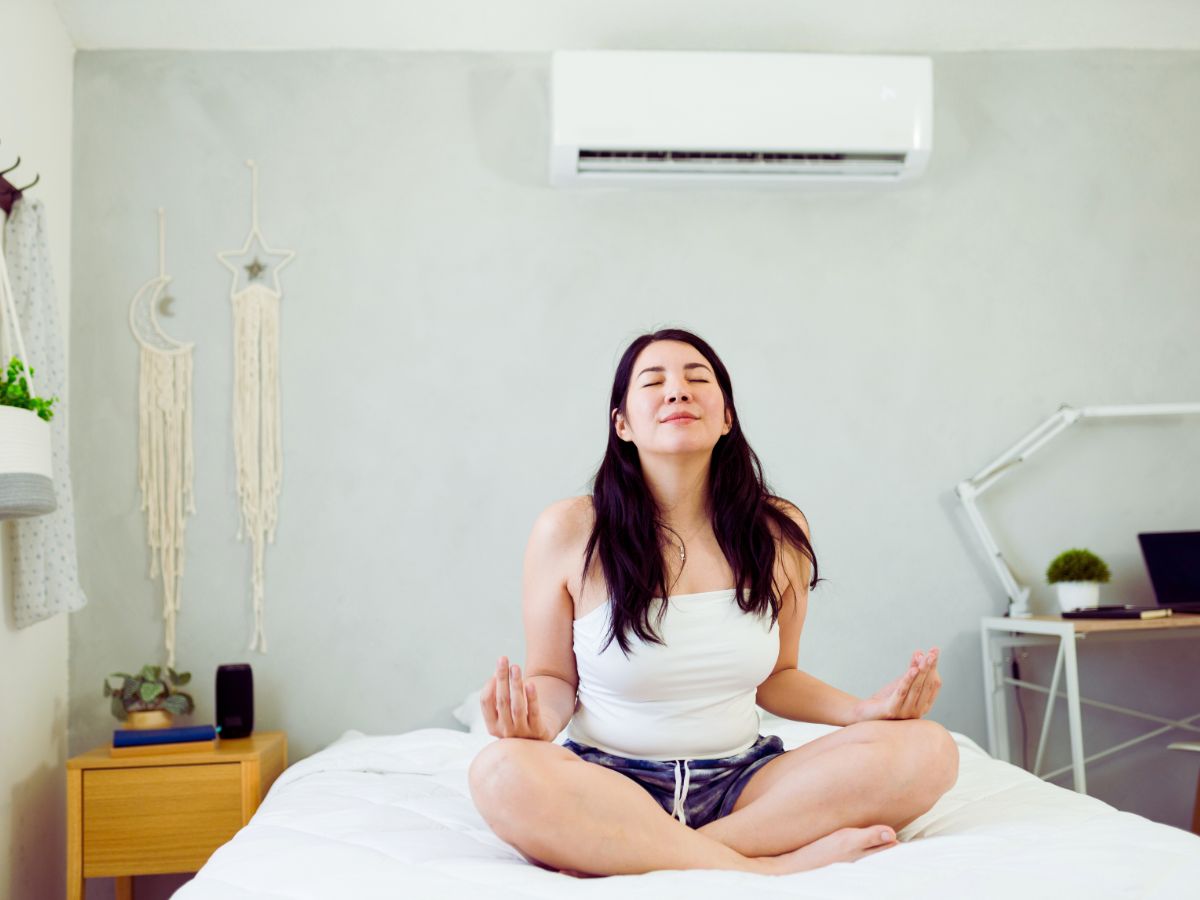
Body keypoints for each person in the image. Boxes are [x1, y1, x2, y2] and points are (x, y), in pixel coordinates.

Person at [468, 329, 958, 877]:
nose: (678, 391)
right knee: (499, 771)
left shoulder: (778, 530)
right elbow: (555, 678)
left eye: (698, 379)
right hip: (609, 783)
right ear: (622, 424)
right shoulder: (569, 530)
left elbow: (779, 675)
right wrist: (534, 721)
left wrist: (864, 712)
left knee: (929, 750)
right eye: (654, 382)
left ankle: (642, 850)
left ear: (726, 416)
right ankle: (767, 868)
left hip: (744, 783)